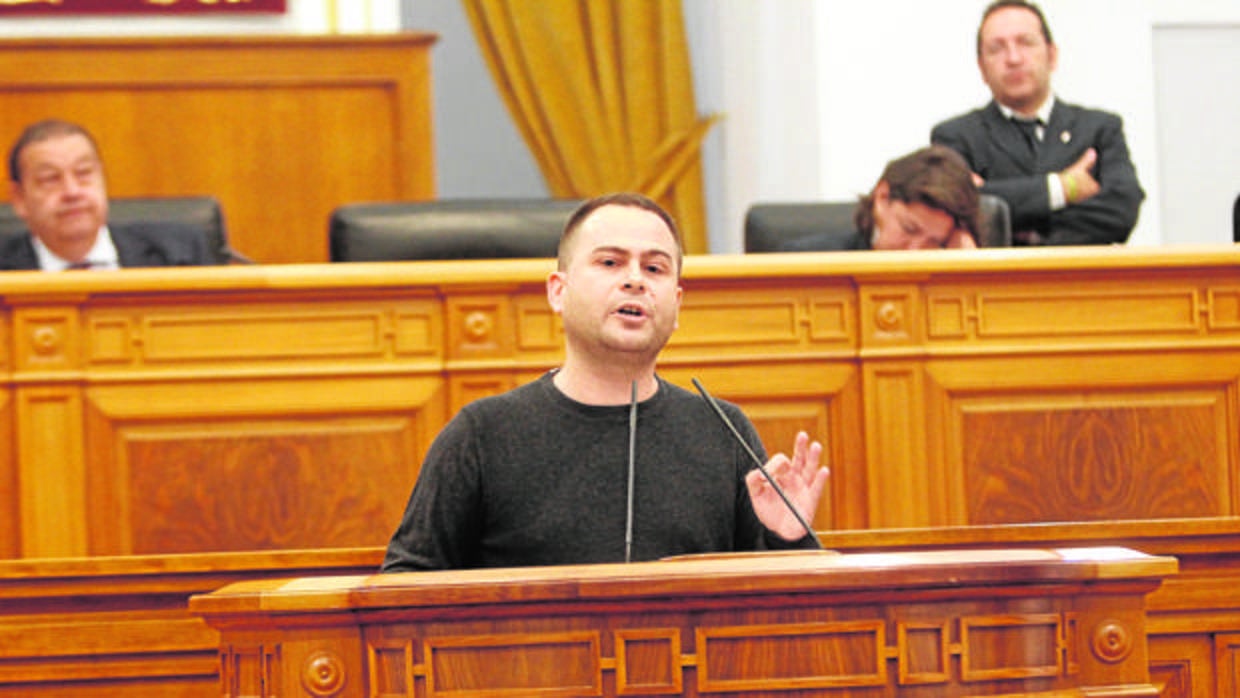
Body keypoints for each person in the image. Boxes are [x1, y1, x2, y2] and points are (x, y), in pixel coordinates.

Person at [382, 192, 830, 572]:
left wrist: (790, 540)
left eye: (654, 269)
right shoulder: (482, 434)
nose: (635, 280)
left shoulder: (723, 430)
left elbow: (780, 615)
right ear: (558, 291)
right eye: (611, 262)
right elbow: (405, 588)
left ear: (676, 304)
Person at [930, 0, 1145, 246]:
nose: (1013, 58)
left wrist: (1019, 226)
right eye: (996, 48)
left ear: (1052, 55)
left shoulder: (1099, 129)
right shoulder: (955, 136)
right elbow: (958, 211)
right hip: (996, 280)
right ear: (981, 67)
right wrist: (1064, 188)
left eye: (1025, 43)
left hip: (1082, 278)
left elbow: (1121, 210)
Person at [2, 118, 214, 271]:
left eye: (84, 173)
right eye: (50, 179)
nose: (72, 192)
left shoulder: (178, 255)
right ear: (20, 199)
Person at [788, 145, 981, 251]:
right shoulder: (805, 260)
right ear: (882, 198)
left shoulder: (943, 277)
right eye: (909, 229)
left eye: (933, 242)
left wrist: (965, 270)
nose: (914, 251)